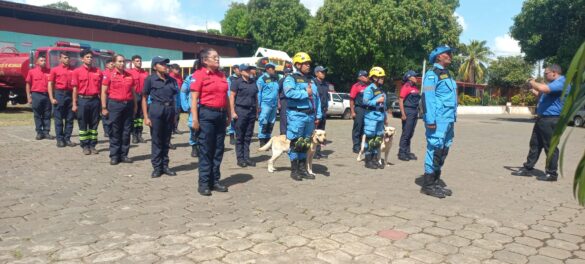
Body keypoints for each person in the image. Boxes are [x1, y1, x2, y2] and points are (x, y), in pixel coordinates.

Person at [511, 64, 569, 182]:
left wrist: (532, 82)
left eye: (546, 73)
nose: (544, 75)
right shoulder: (553, 85)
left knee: (550, 146)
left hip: (552, 119)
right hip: (543, 119)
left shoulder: (562, 82)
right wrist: (532, 89)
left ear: (554, 73)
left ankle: (552, 173)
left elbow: (543, 89)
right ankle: (528, 168)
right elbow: (541, 93)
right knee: (535, 144)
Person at [191, 48, 231, 196]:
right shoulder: (199, 74)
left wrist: (229, 114)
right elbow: (194, 98)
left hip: (220, 115)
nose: (217, 59)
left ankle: (215, 181)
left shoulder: (221, 75)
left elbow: (225, 96)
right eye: (214, 57)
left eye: (218, 57)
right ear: (205, 60)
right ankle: (204, 183)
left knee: (218, 149)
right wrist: (195, 119)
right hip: (206, 115)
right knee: (206, 150)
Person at [421, 45, 457, 199]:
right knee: (435, 149)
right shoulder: (432, 74)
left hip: (448, 118)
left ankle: (435, 182)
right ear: (438, 57)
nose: (450, 55)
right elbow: (427, 98)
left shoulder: (446, 74)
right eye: (446, 53)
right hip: (438, 119)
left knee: (443, 150)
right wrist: (430, 120)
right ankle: (428, 185)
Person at [283, 52, 322, 181]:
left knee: (305, 143)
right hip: (297, 115)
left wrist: (318, 114)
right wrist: (305, 92)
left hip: (310, 116)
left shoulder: (311, 80)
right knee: (296, 142)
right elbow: (289, 93)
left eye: (308, 64)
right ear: (298, 64)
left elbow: (317, 98)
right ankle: (294, 170)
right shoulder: (291, 78)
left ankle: (302, 168)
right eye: (305, 63)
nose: (308, 66)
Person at [142, 56, 178, 178]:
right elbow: (144, 98)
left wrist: (174, 115)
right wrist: (146, 117)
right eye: (162, 64)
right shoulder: (150, 80)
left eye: (166, 64)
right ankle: (157, 167)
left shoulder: (172, 80)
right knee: (157, 140)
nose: (165, 66)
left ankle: (165, 166)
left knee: (166, 140)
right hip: (156, 110)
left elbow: (174, 98)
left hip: (169, 111)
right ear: (154, 67)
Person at [101, 54, 137, 165]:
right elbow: (103, 92)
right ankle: (114, 156)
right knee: (115, 131)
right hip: (115, 105)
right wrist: (103, 107)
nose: (122, 63)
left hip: (128, 105)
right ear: (114, 62)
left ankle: (124, 155)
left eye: (123, 62)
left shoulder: (129, 76)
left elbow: (133, 92)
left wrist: (135, 106)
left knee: (126, 131)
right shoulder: (109, 75)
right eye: (120, 61)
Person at [71, 49, 103, 155]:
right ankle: (85, 146)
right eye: (87, 57)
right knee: (83, 124)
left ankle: (92, 145)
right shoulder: (77, 72)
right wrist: (75, 104)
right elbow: (75, 89)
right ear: (82, 59)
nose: (89, 59)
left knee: (94, 125)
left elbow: (102, 89)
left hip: (95, 100)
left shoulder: (98, 72)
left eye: (91, 57)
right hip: (82, 100)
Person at [230, 64, 259, 167]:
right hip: (240, 111)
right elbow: (232, 97)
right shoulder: (236, 82)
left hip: (251, 111)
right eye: (246, 70)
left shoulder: (253, 82)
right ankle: (240, 158)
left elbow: (255, 97)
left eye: (249, 69)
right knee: (240, 136)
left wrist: (256, 111)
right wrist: (232, 112)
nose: (248, 71)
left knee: (248, 136)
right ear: (241, 71)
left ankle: (247, 157)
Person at [362, 67, 388, 169]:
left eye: (382, 77)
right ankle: (368, 160)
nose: (382, 79)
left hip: (380, 116)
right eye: (380, 77)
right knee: (370, 138)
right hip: (371, 117)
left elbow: (384, 105)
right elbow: (365, 102)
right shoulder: (369, 89)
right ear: (374, 77)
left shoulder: (381, 89)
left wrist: (385, 117)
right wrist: (377, 101)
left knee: (378, 138)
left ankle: (375, 159)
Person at [48, 52, 75, 148]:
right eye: (65, 57)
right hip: (59, 94)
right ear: (60, 59)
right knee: (58, 119)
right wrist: (51, 98)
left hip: (70, 95)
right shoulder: (55, 70)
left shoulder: (73, 70)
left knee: (70, 119)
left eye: (68, 57)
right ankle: (59, 140)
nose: (67, 59)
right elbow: (50, 84)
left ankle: (67, 139)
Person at [25, 56, 54, 140]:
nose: (44, 62)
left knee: (47, 115)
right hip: (36, 95)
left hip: (47, 95)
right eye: (41, 60)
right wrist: (28, 96)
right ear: (37, 62)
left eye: (45, 60)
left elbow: (53, 84)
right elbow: (28, 84)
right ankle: (39, 132)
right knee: (37, 115)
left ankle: (46, 132)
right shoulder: (32, 72)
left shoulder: (50, 71)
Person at [397, 70, 421, 161]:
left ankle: (407, 151)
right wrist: (403, 113)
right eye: (415, 76)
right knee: (406, 133)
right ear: (409, 77)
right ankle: (401, 152)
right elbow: (400, 100)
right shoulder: (406, 87)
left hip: (414, 111)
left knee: (411, 133)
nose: (416, 78)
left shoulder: (414, 87)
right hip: (408, 111)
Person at [256, 63, 279, 147]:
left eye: (274, 68)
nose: (274, 70)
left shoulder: (275, 79)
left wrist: (278, 103)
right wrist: (258, 105)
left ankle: (267, 139)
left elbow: (277, 92)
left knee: (271, 122)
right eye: (272, 68)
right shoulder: (262, 79)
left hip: (274, 104)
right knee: (264, 121)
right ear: (268, 69)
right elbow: (258, 93)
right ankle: (262, 140)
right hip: (265, 104)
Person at [128, 55, 149, 144]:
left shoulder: (145, 73)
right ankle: (134, 135)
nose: (139, 62)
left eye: (140, 61)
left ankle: (139, 134)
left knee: (140, 117)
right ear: (133, 62)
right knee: (134, 116)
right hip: (134, 96)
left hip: (143, 96)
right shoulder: (129, 73)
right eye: (137, 61)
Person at [181, 61, 200, 158]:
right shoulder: (190, 78)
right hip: (193, 107)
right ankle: (194, 146)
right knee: (193, 126)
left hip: (205, 107)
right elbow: (183, 92)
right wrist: (185, 105)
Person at [350, 70, 369, 153]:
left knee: (365, 128)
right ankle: (356, 146)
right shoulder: (356, 86)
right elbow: (351, 100)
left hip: (367, 109)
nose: (367, 77)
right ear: (360, 77)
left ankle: (363, 145)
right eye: (365, 76)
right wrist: (352, 112)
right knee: (358, 128)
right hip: (359, 108)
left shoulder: (369, 86)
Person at [313, 65, 330, 159]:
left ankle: (318, 152)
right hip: (316, 112)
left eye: (324, 72)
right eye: (321, 72)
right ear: (316, 73)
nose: (323, 73)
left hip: (323, 111)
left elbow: (326, 97)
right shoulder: (313, 83)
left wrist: (326, 107)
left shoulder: (325, 84)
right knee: (315, 133)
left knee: (321, 132)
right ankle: (313, 152)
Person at [226, 64, 240, 145]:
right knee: (232, 119)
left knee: (239, 119)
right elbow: (228, 92)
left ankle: (238, 135)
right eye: (237, 69)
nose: (239, 70)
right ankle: (231, 136)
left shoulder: (242, 77)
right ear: (234, 70)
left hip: (240, 102)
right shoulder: (230, 79)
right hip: (233, 101)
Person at [169, 64, 183, 135]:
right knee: (172, 114)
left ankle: (175, 128)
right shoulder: (170, 77)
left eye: (178, 69)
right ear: (172, 69)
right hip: (172, 97)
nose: (178, 70)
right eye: (176, 69)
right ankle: (171, 128)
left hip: (179, 96)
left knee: (178, 113)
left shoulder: (179, 77)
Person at [102, 59, 114, 138]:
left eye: (113, 63)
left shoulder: (115, 73)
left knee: (112, 114)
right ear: (106, 65)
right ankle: (106, 131)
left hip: (112, 96)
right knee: (105, 114)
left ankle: (111, 129)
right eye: (111, 64)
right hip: (105, 95)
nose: (112, 65)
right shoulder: (103, 73)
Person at [278, 67, 293, 135]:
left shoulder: (293, 80)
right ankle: (283, 133)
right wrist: (278, 103)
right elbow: (277, 92)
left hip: (291, 100)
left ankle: (290, 133)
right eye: (288, 72)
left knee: (291, 117)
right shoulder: (282, 80)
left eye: (290, 72)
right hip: (283, 100)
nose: (289, 74)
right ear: (285, 73)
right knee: (284, 118)